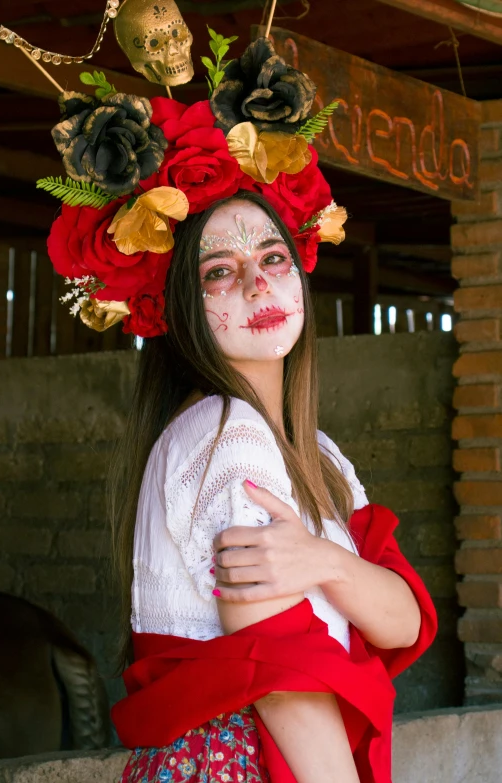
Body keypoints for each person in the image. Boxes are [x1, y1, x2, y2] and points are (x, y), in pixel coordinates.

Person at [108, 192, 437, 783]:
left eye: (273, 258)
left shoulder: (321, 455)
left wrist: (325, 562)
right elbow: (283, 678)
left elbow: (406, 620)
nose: (257, 285)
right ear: (184, 306)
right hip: (236, 763)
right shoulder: (224, 434)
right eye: (219, 273)